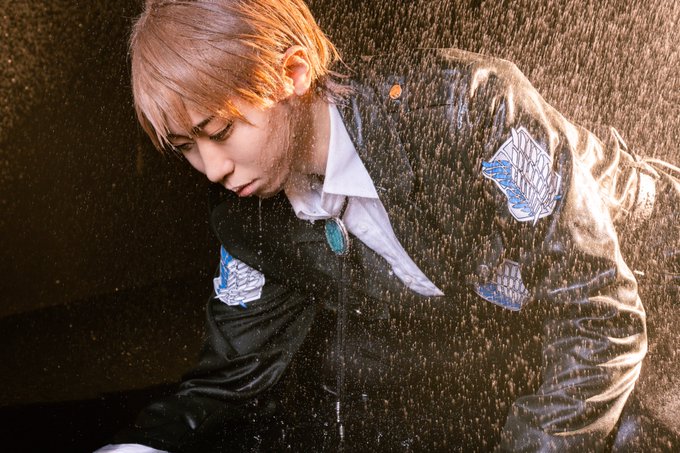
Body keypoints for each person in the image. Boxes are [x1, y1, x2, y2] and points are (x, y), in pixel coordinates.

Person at [97, 0, 679, 451]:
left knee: (635, 437)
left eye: (220, 131)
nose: (212, 168)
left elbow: (601, 316)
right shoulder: (250, 218)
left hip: (657, 275)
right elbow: (229, 378)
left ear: (292, 73)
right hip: (541, 330)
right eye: (187, 147)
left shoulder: (465, 107)